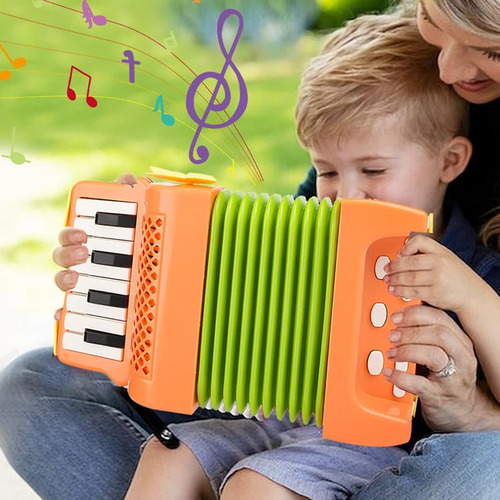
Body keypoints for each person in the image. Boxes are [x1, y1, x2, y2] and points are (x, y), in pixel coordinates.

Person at [0, 0, 499, 498]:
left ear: (451, 160)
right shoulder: (324, 220)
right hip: (280, 419)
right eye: (327, 172)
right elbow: (236, 299)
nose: (346, 194)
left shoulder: (470, 267)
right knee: (151, 448)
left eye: (372, 172)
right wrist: (133, 259)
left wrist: (469, 309)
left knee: (260, 484)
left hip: (401, 449)